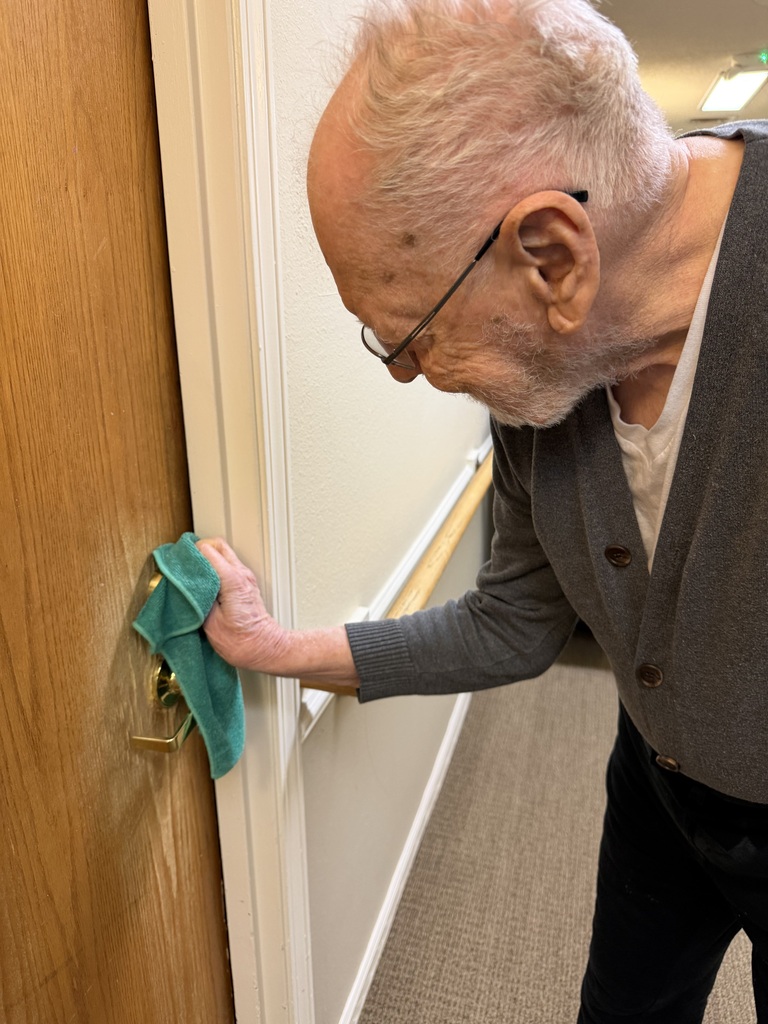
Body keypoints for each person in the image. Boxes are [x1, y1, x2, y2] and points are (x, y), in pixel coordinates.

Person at [198, 0, 768, 1019]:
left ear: (551, 255)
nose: (407, 373)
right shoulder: (554, 377)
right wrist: (278, 649)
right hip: (658, 781)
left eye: (408, 332)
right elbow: (514, 622)